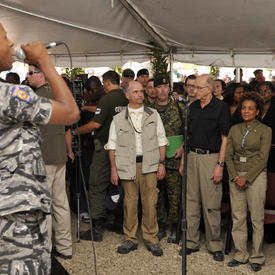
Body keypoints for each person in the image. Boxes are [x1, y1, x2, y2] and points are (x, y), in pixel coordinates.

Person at [0, 24, 79, 274]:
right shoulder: (9, 96)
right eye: (4, 38)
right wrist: (45, 61)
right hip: (16, 219)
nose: (12, 44)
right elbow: (71, 112)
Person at [105, 80, 168, 256]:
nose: (140, 95)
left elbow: (162, 140)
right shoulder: (118, 119)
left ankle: (151, 238)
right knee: (129, 204)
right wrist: (113, 169)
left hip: (149, 165)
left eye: (141, 91)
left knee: (150, 203)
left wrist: (161, 163)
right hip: (127, 165)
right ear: (127, 95)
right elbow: (112, 146)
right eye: (136, 92)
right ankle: (130, 238)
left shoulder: (153, 114)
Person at [179, 74, 230, 262]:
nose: (194, 90)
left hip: (211, 157)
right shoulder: (191, 107)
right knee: (191, 201)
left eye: (199, 88)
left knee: (211, 204)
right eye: (193, 87)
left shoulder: (221, 108)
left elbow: (225, 138)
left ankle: (214, 244)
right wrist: (184, 160)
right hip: (192, 156)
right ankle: (191, 242)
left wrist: (220, 165)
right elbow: (187, 137)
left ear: (209, 89)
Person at [74, 70, 128, 241]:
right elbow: (103, 110)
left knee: (97, 185)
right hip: (124, 148)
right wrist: (85, 107)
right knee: (120, 185)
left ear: (106, 83)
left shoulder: (107, 98)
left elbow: (95, 124)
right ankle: (119, 223)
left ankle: (96, 229)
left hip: (105, 149)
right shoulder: (125, 98)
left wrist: (75, 132)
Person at [27, 64, 73, 259]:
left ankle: (45, 249)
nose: (27, 77)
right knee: (61, 202)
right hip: (59, 155)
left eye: (30, 73)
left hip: (43, 157)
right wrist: (69, 150)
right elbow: (67, 128)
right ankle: (65, 247)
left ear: (41, 75)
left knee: (44, 205)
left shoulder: (37, 98)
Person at [226, 92, 272, 272]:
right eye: (243, 108)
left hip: (256, 175)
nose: (246, 111)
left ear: (257, 111)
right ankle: (240, 254)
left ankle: (257, 256)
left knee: (257, 217)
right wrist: (235, 176)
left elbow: (262, 158)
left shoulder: (265, 130)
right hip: (236, 175)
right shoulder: (234, 129)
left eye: (250, 108)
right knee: (238, 217)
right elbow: (228, 156)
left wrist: (247, 177)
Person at [153, 75, 185, 243]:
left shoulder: (179, 107)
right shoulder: (149, 110)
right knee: (157, 195)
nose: (163, 90)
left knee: (174, 195)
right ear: (154, 90)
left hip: (174, 158)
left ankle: (173, 227)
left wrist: (183, 147)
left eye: (166, 87)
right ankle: (161, 225)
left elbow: (189, 131)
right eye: (159, 87)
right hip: (155, 159)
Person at [258, 82, 275, 172]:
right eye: (260, 91)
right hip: (256, 151)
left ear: (272, 93)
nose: (262, 94)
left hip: (272, 151)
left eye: (266, 91)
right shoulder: (253, 108)